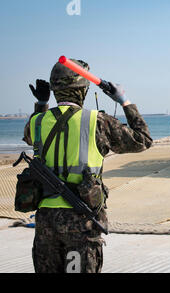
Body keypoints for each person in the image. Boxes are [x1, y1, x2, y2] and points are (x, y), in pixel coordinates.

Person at [22, 59, 153, 273]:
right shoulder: (97, 122)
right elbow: (143, 139)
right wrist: (125, 102)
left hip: (46, 220)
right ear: (82, 89)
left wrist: (41, 103)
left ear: (55, 89)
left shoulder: (37, 121)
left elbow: (31, 136)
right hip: (81, 221)